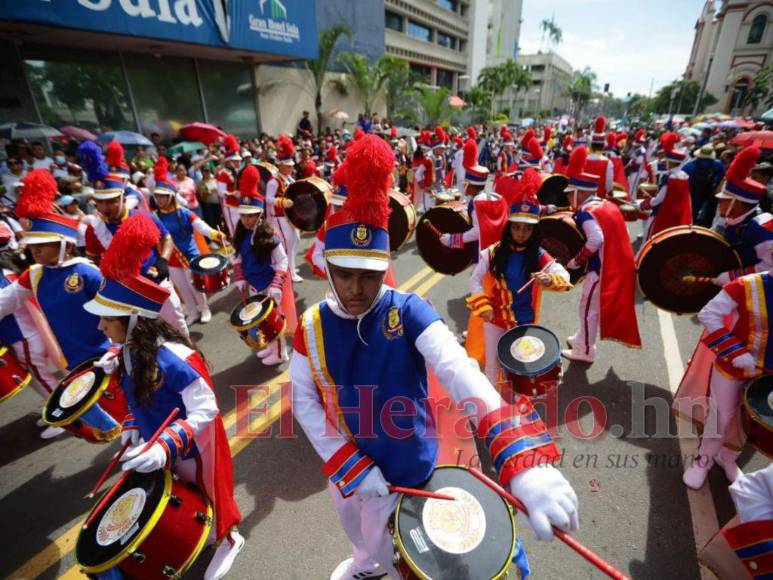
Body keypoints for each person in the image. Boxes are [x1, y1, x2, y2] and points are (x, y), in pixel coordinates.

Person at [290, 135, 578, 580]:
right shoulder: (310, 326)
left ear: (383, 265)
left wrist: (522, 464)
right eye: (343, 273)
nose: (354, 288)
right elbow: (305, 402)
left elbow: (460, 371)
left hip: (414, 466)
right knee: (360, 533)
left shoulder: (407, 310)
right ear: (327, 266)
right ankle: (366, 564)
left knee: (422, 556)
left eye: (367, 274)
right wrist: (347, 462)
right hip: (347, 467)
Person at [83, 213, 243, 580]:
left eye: (107, 320)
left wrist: (163, 446)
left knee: (208, 493)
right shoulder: (126, 352)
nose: (99, 326)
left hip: (192, 446)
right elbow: (133, 396)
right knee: (179, 494)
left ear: (133, 320)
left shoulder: (174, 357)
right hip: (162, 442)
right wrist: (130, 426)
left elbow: (206, 408)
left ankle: (229, 537)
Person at [0, 169, 120, 441]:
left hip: (108, 353)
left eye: (42, 244)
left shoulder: (86, 271)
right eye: (31, 246)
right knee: (103, 414)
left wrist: (117, 348)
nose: (35, 250)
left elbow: (116, 308)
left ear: (63, 243)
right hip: (75, 360)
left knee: (131, 406)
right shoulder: (34, 274)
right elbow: (5, 301)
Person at [467, 168, 572, 384]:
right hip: (494, 318)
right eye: (517, 228)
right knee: (492, 366)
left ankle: (515, 409)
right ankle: (491, 411)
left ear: (534, 231)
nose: (521, 233)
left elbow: (563, 274)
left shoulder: (539, 255)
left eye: (527, 229)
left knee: (519, 370)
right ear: (509, 228)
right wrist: (484, 305)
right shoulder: (493, 251)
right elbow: (475, 280)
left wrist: (550, 279)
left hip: (523, 322)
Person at [78, 141, 189, 338]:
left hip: (156, 281)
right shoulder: (93, 229)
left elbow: (167, 238)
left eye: (111, 201)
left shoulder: (143, 216)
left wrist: (163, 260)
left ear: (122, 197)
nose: (106, 207)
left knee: (176, 324)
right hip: (125, 290)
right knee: (146, 336)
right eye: (100, 202)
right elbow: (94, 260)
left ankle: (190, 357)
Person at [561, 146, 641, 363]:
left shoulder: (587, 211)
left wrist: (576, 261)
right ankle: (582, 338)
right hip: (614, 266)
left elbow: (596, 239)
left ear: (580, 191)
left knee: (587, 308)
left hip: (601, 270)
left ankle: (586, 350)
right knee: (589, 308)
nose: (569, 198)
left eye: (570, 193)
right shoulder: (603, 204)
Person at [151, 158, 225, 326]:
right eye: (157, 197)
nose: (160, 200)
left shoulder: (183, 212)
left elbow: (201, 226)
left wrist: (214, 234)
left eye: (163, 196)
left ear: (171, 197)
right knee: (182, 288)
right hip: (171, 259)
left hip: (189, 255)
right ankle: (191, 312)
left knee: (194, 285)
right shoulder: (156, 216)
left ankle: (204, 308)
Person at [232, 165, 293, 365]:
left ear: (258, 215)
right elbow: (239, 258)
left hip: (268, 284)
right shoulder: (241, 233)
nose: (246, 220)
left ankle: (281, 352)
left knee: (273, 320)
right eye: (243, 215)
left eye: (250, 215)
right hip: (252, 285)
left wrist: (276, 285)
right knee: (260, 321)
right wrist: (240, 278)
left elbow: (282, 261)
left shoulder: (269, 235)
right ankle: (270, 347)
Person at [712, 146, 773, 280]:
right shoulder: (733, 218)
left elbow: (769, 268)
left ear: (738, 202)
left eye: (724, 199)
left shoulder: (762, 228)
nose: (719, 202)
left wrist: (732, 276)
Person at [638, 131, 692, 240]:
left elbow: (659, 199)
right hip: (675, 216)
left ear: (670, 162)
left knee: (649, 240)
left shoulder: (670, 177)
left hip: (661, 214)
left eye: (666, 160)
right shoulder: (684, 176)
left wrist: (642, 204)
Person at [265, 135, 301, 283]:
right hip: (279, 217)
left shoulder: (289, 179)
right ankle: (289, 272)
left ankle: (291, 266)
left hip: (290, 216)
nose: (291, 168)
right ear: (280, 165)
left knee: (296, 240)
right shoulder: (274, 181)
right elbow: (268, 198)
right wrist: (282, 201)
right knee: (287, 244)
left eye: (292, 165)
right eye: (288, 165)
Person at [682, 144, 725, 227]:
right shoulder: (718, 165)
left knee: (692, 213)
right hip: (710, 194)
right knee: (709, 215)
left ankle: (689, 227)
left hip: (693, 194)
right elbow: (721, 180)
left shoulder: (688, 166)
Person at [216, 135, 242, 237]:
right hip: (230, 206)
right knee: (235, 230)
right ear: (230, 161)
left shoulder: (238, 172)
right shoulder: (223, 174)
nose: (239, 162)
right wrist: (232, 193)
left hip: (240, 204)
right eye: (236, 161)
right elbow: (220, 192)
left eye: (239, 160)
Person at [198, 165, 222, 229]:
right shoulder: (201, 183)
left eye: (208, 171)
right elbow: (202, 198)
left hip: (218, 204)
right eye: (205, 171)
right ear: (202, 172)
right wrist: (206, 193)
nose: (207, 172)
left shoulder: (214, 180)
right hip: (208, 205)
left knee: (219, 220)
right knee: (211, 222)